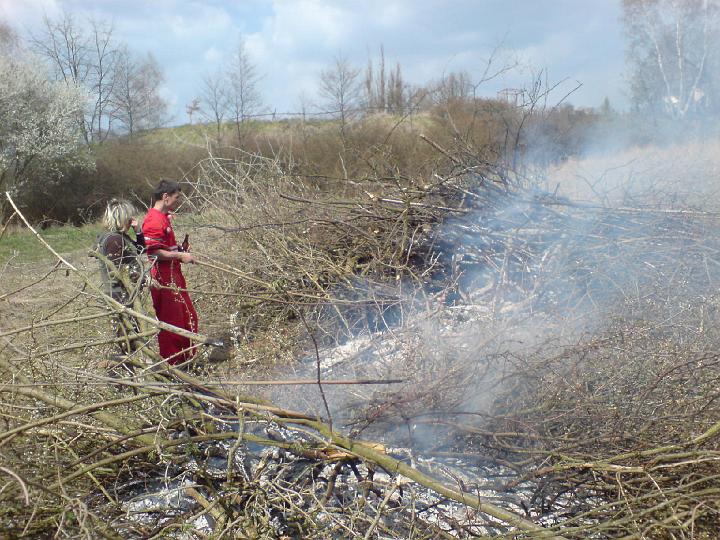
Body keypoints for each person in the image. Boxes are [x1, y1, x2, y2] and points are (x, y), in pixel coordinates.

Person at [142, 180, 199, 365]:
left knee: (188, 317)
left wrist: (180, 251)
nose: (178, 202)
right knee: (172, 324)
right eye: (176, 198)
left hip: (175, 276)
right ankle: (174, 365)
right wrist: (179, 256)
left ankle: (187, 358)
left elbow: (166, 246)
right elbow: (153, 251)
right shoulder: (153, 220)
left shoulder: (165, 217)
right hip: (164, 279)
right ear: (165, 197)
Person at [96, 199, 146, 354]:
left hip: (124, 293)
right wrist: (143, 278)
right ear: (122, 218)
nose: (132, 221)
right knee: (127, 333)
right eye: (130, 217)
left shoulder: (119, 237)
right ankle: (128, 366)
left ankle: (132, 363)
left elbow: (140, 250)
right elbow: (118, 271)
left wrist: (138, 232)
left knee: (130, 332)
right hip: (120, 295)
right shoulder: (114, 239)